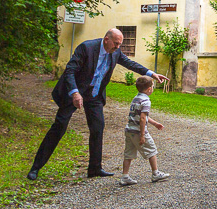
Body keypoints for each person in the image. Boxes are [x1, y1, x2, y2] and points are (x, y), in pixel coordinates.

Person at [28, 28, 166, 181]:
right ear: (106, 39)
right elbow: (70, 71)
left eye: (120, 44)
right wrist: (74, 92)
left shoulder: (116, 52)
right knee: (59, 127)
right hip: (74, 91)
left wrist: (151, 73)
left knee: (97, 128)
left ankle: (94, 168)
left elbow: (130, 64)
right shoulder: (86, 48)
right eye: (116, 43)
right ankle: (36, 167)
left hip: (94, 95)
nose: (117, 47)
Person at [120, 75, 169, 186]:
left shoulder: (136, 98)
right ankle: (155, 173)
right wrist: (142, 135)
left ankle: (125, 176)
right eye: (152, 86)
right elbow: (142, 118)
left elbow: (142, 116)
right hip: (138, 131)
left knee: (128, 154)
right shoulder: (146, 100)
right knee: (152, 150)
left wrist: (155, 123)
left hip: (129, 130)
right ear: (149, 89)